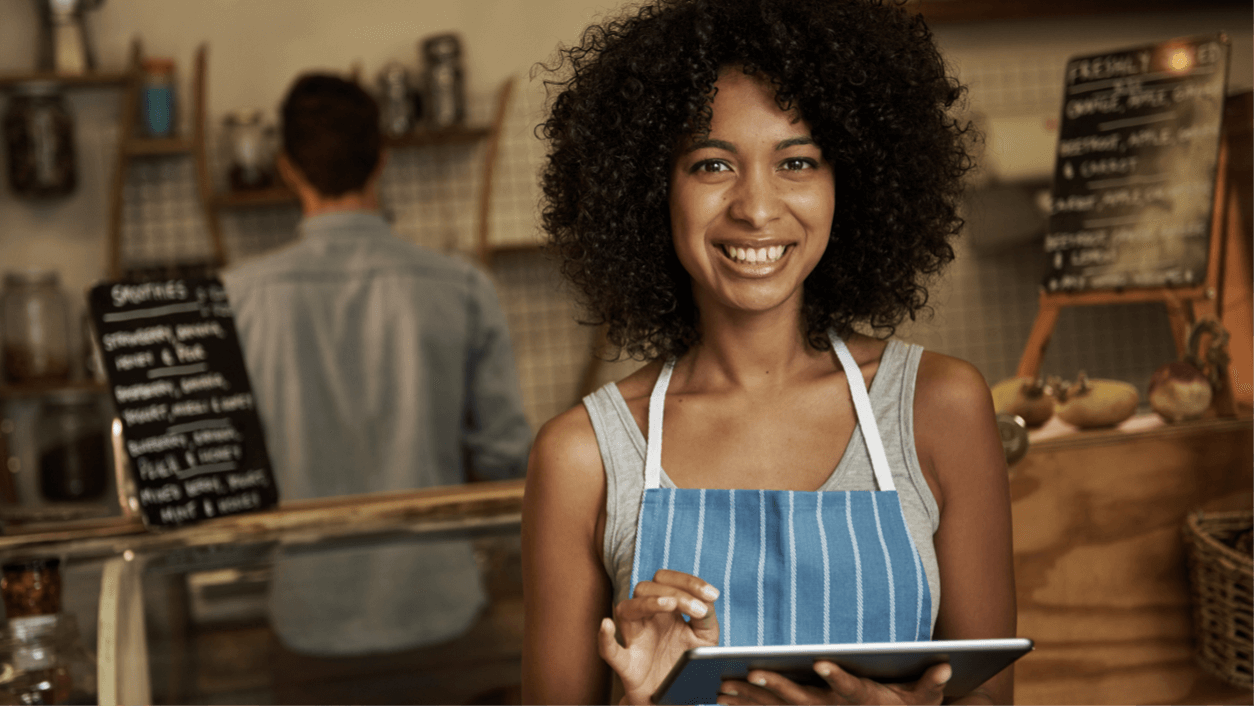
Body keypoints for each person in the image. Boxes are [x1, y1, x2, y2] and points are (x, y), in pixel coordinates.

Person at [522, 0, 1015, 705]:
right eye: (712, 163)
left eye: (798, 161)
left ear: (852, 182)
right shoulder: (582, 455)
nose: (756, 206)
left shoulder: (940, 408)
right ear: (650, 190)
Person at [223, 74, 532, 660]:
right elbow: (505, 458)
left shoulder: (235, 300)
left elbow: (226, 474)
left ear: (288, 168)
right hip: (439, 607)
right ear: (382, 161)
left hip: (309, 617)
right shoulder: (463, 287)